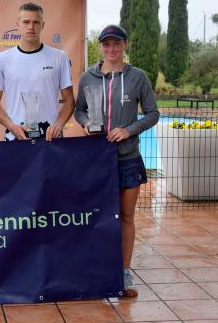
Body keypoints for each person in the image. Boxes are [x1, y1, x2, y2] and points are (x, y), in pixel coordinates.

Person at [74, 24, 159, 297]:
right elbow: (79, 110)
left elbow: (153, 114)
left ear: (124, 46)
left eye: (116, 44)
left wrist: (128, 130)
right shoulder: (88, 77)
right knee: (96, 217)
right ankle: (97, 269)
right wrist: (86, 123)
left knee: (126, 216)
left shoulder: (138, 77)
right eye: (106, 44)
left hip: (128, 158)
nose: (111, 49)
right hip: (96, 160)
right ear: (100, 47)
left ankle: (124, 272)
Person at [0, 2, 74, 141]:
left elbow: (69, 100)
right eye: (26, 22)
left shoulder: (59, 57)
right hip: (16, 137)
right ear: (17, 24)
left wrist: (58, 125)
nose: (31, 26)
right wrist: (11, 126)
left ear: (43, 25)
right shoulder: (1, 59)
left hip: (51, 138)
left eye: (36, 22)